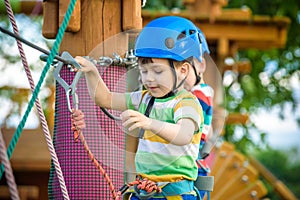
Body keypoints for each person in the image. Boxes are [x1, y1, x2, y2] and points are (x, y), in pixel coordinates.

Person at [72, 16, 206, 199]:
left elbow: (184, 135)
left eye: (158, 71)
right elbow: (105, 99)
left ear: (182, 70)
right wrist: (92, 73)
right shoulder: (145, 98)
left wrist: (150, 123)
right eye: (144, 71)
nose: (149, 78)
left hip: (175, 194)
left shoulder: (187, 103)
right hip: (145, 190)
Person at [184, 29, 214, 199]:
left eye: (186, 67)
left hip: (193, 167)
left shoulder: (199, 96)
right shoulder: (201, 92)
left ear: (201, 65)